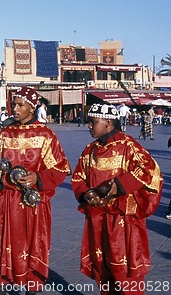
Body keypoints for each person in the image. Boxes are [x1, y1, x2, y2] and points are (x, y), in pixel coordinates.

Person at [70, 103, 163, 295]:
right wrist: (87, 194)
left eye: (93, 122)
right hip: (98, 219)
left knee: (127, 273)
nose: (89, 126)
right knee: (104, 271)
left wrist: (120, 187)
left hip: (124, 220)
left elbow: (150, 170)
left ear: (108, 122)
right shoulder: (90, 150)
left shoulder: (128, 145)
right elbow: (78, 177)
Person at [0, 86, 70, 295]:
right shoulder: (5, 134)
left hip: (34, 203)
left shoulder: (45, 136)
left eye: (19, 105)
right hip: (7, 201)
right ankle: (1, 284)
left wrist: (38, 177)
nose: (14, 108)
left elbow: (61, 167)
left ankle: (32, 286)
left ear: (32, 109)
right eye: (14, 104)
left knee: (34, 244)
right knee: (3, 244)